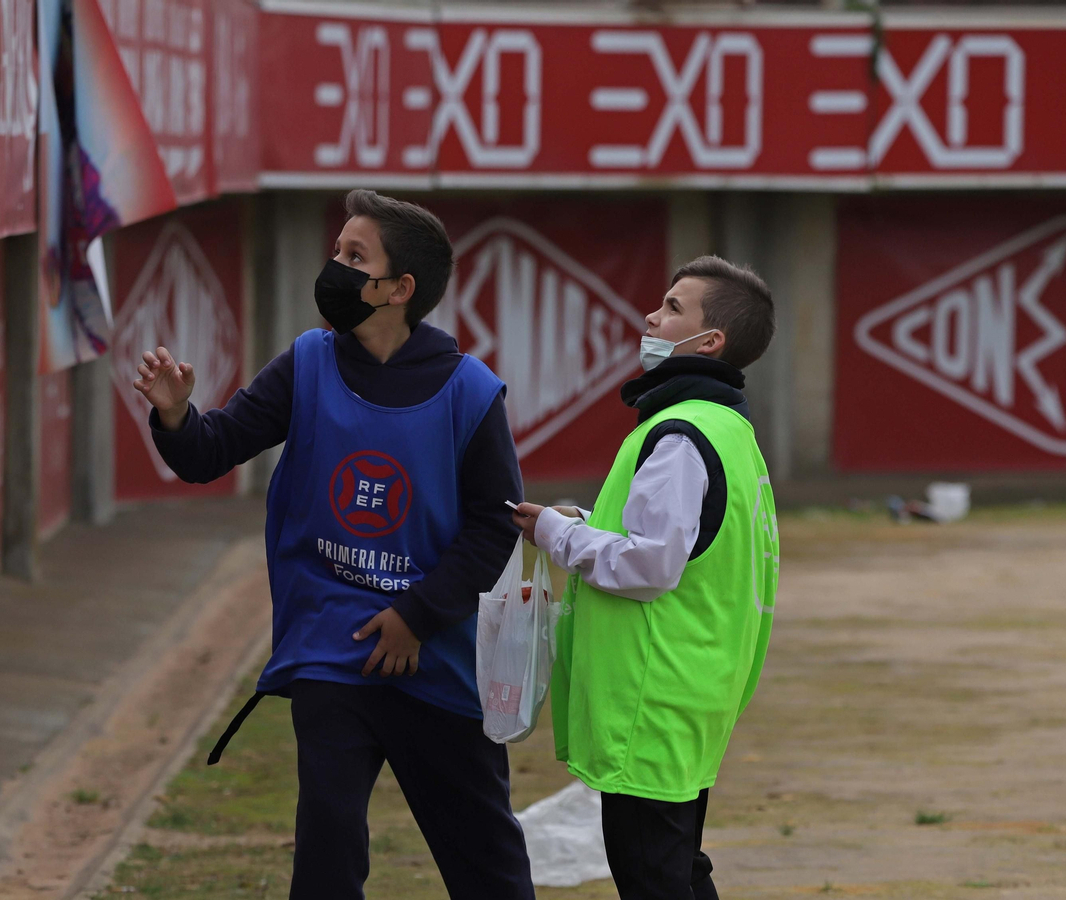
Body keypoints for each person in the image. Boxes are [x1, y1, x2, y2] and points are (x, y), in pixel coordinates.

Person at [132, 190, 534, 900]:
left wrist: (417, 615)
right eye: (336, 251)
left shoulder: (470, 391)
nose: (335, 267)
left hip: (435, 659)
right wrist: (174, 414)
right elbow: (211, 450)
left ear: (398, 289)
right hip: (329, 650)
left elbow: (492, 528)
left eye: (356, 257)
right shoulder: (309, 362)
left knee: (486, 861)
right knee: (326, 845)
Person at [512, 256, 781, 900]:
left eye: (672, 308)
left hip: (651, 697)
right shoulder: (730, 429)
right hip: (692, 688)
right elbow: (678, 545)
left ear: (708, 341)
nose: (651, 317)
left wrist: (556, 534)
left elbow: (649, 565)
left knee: (654, 879)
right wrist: (579, 522)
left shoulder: (681, 433)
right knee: (679, 871)